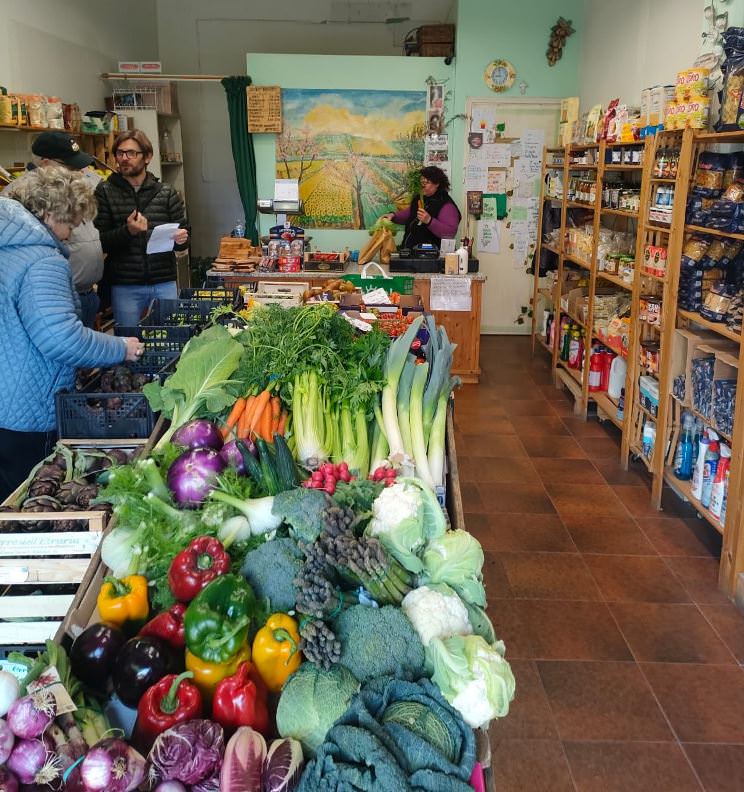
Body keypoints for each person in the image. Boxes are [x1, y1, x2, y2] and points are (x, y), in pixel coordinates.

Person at [0, 166, 144, 501]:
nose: (71, 233)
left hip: (5, 400)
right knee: (28, 504)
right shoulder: (41, 261)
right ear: (50, 215)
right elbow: (60, 338)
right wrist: (120, 347)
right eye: (72, 222)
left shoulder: (8, 247)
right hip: (28, 407)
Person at [2, 131, 104, 329]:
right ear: (46, 164)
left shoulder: (71, 191)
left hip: (86, 293)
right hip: (53, 299)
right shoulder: (20, 197)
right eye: (70, 167)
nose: (79, 173)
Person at [94, 129, 189, 327]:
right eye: (120, 153)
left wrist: (182, 240)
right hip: (125, 285)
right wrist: (128, 231)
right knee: (128, 343)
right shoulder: (104, 192)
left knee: (169, 338)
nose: (124, 159)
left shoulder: (166, 193)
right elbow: (100, 242)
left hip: (164, 281)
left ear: (147, 157)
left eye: (131, 153)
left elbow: (183, 237)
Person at [383, 166, 461, 251]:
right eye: (421, 182)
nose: (422, 186)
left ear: (437, 184)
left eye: (426, 182)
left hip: (432, 258)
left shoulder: (446, 205)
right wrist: (393, 216)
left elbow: (450, 232)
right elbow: (410, 213)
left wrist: (429, 221)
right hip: (412, 253)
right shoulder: (420, 198)